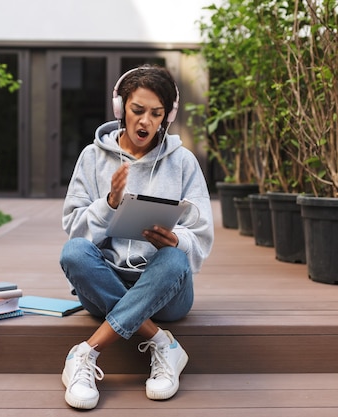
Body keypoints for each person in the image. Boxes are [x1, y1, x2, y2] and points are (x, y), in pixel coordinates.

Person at [59, 64, 214, 410]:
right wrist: (109, 204)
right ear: (120, 109)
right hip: (107, 283)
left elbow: (202, 233)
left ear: (167, 117)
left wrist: (177, 241)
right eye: (137, 110)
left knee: (175, 258)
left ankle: (86, 352)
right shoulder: (92, 157)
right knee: (73, 253)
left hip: (167, 292)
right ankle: (162, 344)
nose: (145, 121)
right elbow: (74, 228)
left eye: (156, 114)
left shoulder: (184, 162)